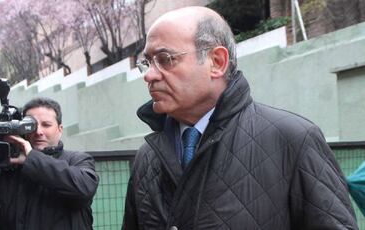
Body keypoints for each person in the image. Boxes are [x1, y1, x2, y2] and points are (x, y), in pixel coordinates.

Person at [122, 6, 358, 230]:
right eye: (147, 62)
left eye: (165, 59)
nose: (150, 75)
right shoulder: (148, 157)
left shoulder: (293, 140)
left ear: (217, 62)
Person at [0, 97, 99, 230]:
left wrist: (30, 158)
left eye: (46, 125)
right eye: (32, 126)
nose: (38, 132)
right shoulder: (9, 169)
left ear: (60, 130)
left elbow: (84, 189)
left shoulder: (78, 160)